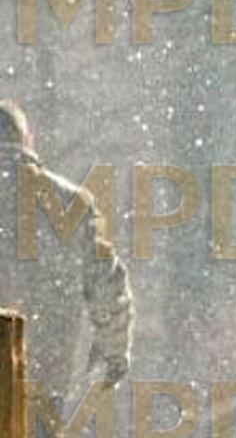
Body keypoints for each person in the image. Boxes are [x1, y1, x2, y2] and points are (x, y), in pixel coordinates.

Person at [0, 100, 133, 416]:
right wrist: (113, 354)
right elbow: (108, 285)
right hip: (41, 378)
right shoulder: (72, 204)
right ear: (27, 139)